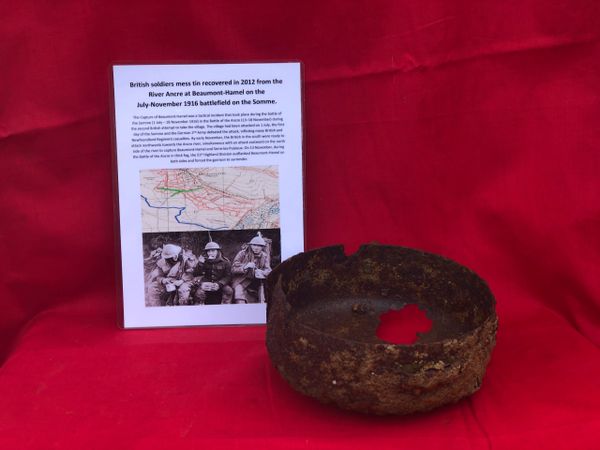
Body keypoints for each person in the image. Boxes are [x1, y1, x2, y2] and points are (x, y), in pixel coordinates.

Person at [231, 232, 272, 304]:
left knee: (262, 298)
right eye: (254, 245)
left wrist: (261, 272)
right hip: (242, 280)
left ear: (262, 247)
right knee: (239, 294)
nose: (256, 248)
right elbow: (233, 268)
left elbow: (268, 270)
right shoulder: (242, 253)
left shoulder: (264, 256)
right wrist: (245, 267)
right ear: (250, 245)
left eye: (259, 246)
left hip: (257, 282)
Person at [191, 240, 233, 305]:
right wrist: (200, 264)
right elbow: (196, 274)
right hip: (206, 283)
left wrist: (219, 284)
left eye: (213, 251)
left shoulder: (225, 262)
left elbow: (228, 276)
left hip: (220, 283)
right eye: (208, 251)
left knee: (228, 291)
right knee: (199, 293)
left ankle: (226, 307)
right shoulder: (204, 261)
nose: (210, 253)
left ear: (218, 251)